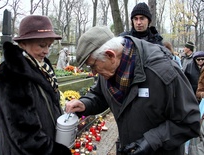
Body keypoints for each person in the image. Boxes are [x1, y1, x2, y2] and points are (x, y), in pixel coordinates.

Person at [65, 26, 200, 155]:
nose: (94, 73)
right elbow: (100, 95)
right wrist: (85, 104)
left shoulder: (163, 72)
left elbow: (190, 121)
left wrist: (151, 141)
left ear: (110, 55)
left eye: (93, 66)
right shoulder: (107, 70)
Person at [0, 15, 71, 155]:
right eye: (42, 45)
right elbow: (23, 132)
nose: (47, 51)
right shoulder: (12, 72)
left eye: (49, 45)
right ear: (23, 43)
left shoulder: (41, 66)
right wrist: (55, 151)